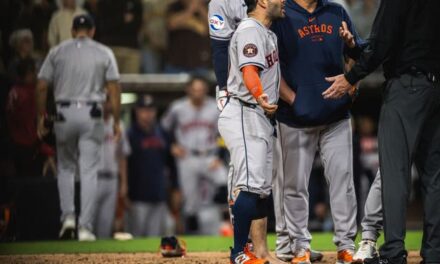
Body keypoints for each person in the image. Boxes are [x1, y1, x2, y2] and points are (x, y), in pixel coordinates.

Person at [322, 0, 440, 262]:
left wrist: (352, 77)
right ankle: (434, 253)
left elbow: (383, 43)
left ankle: (393, 251)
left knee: (394, 172)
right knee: (434, 177)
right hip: (434, 89)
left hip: (407, 87)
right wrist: (356, 47)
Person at [270, 0, 364, 262]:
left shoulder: (337, 11)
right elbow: (269, 66)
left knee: (343, 182)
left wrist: (351, 46)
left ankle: (346, 245)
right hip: (294, 118)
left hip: (336, 116)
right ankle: (300, 246)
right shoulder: (281, 13)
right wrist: (293, 100)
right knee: (294, 186)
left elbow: (361, 55)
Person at [36, 14, 121, 241]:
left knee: (65, 167)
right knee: (89, 170)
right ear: (92, 31)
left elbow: (42, 85)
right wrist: (118, 121)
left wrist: (40, 116)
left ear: (73, 31)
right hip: (92, 112)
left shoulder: (57, 51)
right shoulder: (104, 52)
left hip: (63, 113)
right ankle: (85, 227)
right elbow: (113, 88)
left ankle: (68, 219)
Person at [217, 0, 284, 262]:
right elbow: (249, 70)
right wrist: (260, 95)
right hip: (245, 110)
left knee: (260, 188)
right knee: (248, 185)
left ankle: (259, 253)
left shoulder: (267, 32)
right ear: (264, 1)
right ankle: (238, 253)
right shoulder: (249, 29)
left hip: (257, 114)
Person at [161, 76, 227, 235]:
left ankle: (227, 225)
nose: (198, 92)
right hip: (187, 157)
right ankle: (193, 236)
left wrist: (220, 156)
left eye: (201, 89)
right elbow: (163, 128)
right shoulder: (178, 108)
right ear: (188, 89)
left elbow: (224, 132)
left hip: (210, 155)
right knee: (190, 202)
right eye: (195, 89)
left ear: (206, 90)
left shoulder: (215, 107)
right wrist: (171, 145)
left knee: (225, 182)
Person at [126, 94, 172, 237]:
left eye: (150, 110)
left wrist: (174, 188)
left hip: (159, 195)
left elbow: (170, 163)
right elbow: (124, 165)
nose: (147, 114)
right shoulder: (130, 134)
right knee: (135, 237)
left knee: (155, 238)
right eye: (143, 110)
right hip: (136, 197)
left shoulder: (163, 133)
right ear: (137, 112)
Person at [93, 98, 130, 239]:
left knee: (105, 224)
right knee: (88, 223)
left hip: (112, 178)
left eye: (109, 101)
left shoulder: (119, 125)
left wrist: (124, 182)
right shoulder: (89, 124)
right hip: (93, 178)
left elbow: (122, 156)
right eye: (103, 101)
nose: (106, 104)